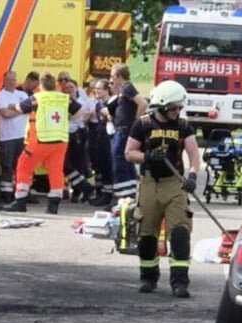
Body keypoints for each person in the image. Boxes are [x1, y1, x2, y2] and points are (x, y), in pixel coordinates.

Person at [124, 80, 202, 298]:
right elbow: (129, 153)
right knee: (147, 234)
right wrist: (148, 157)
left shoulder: (184, 126)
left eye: (180, 108)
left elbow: (194, 155)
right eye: (173, 108)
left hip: (174, 185)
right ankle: (148, 278)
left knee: (179, 232)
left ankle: (180, 282)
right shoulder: (143, 125)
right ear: (161, 106)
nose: (177, 112)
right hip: (149, 184)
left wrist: (193, 176)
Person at [3, 71, 81, 215]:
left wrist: (13, 105)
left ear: (41, 85)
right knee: (56, 171)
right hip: (60, 141)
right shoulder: (64, 98)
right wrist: (67, 119)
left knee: (23, 166)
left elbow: (21, 108)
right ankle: (53, 205)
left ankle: (20, 201)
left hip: (41, 140)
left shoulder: (37, 98)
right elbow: (79, 111)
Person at [106, 62, 148, 210]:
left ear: (119, 76)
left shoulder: (127, 87)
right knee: (124, 162)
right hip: (121, 130)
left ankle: (123, 199)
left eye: (112, 76)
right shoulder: (123, 90)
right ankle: (127, 197)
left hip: (124, 131)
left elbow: (142, 103)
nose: (111, 80)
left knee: (120, 162)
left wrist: (135, 122)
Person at [0, 70, 29, 203]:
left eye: (14, 79)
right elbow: (5, 114)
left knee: (22, 167)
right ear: (4, 81)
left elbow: (29, 109)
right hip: (7, 137)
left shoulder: (23, 94)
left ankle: (22, 194)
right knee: (7, 166)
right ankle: (7, 195)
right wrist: (20, 110)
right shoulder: (0, 96)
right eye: (9, 80)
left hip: (23, 136)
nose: (12, 82)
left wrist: (14, 109)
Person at [61, 77, 95, 203]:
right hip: (65, 135)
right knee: (67, 166)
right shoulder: (62, 100)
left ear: (76, 88)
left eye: (71, 87)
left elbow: (85, 117)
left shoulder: (83, 101)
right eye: (66, 88)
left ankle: (80, 191)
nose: (69, 90)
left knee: (78, 165)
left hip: (78, 135)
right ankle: (84, 188)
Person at [86, 78, 114, 207]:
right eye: (95, 88)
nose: (95, 91)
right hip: (100, 137)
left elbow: (111, 117)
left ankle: (108, 195)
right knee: (101, 166)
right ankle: (103, 193)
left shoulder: (112, 103)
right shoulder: (99, 104)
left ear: (106, 90)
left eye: (99, 89)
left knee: (109, 166)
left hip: (110, 138)